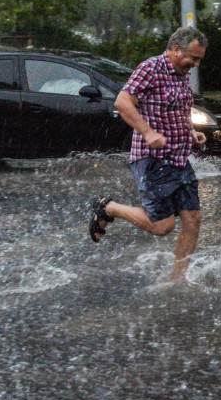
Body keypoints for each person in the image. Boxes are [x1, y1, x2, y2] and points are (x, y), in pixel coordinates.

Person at [88, 26, 208, 283]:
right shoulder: (151, 68)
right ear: (176, 49)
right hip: (153, 160)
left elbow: (180, 108)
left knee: (193, 219)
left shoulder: (181, 74)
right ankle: (109, 208)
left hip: (179, 157)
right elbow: (122, 102)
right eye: (193, 58)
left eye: (199, 59)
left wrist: (191, 132)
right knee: (162, 226)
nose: (195, 64)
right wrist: (147, 132)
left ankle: (177, 280)